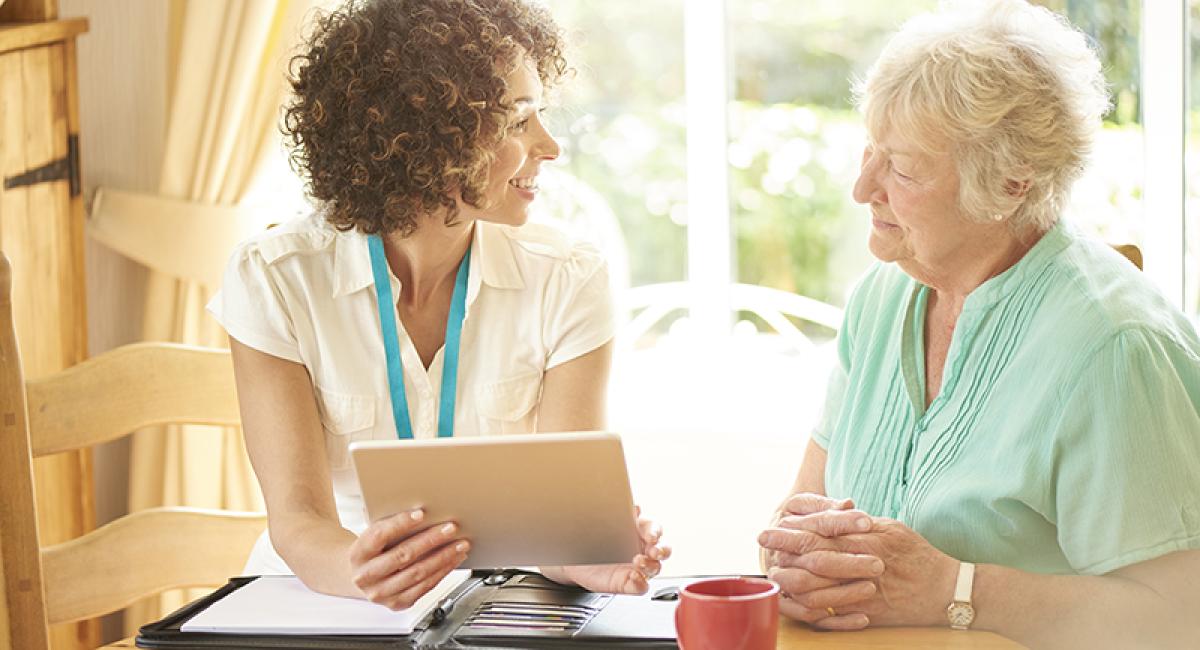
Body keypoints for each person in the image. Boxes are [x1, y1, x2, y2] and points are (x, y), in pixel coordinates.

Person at [756, 1, 1200, 648]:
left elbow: (1178, 618)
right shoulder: (881, 299)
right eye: (869, 150)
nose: (862, 188)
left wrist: (954, 592)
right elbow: (801, 510)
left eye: (903, 169)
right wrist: (794, 559)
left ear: (1012, 183)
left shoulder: (1115, 348)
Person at [208, 0, 668, 610]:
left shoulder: (569, 278)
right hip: (317, 601)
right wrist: (365, 571)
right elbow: (297, 521)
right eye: (516, 122)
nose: (550, 147)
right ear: (426, 136)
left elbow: (560, 520)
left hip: (492, 606)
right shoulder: (275, 276)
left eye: (542, 117)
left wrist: (588, 555)